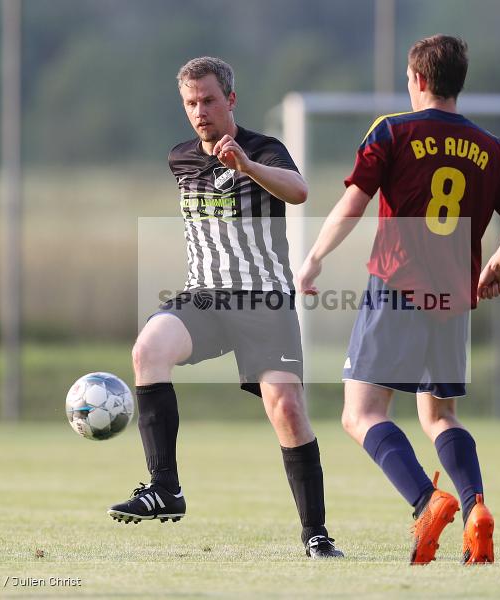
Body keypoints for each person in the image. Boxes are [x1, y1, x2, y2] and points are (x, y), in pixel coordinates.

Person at [296, 35, 500, 565]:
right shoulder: (490, 147)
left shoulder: (393, 131)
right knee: (441, 415)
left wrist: (314, 257)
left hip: (396, 286)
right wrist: (495, 265)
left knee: (360, 413)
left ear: (419, 80)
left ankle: (427, 503)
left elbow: (352, 203)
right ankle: (476, 510)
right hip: (453, 296)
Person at [108, 56, 343, 559]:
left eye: (209, 100)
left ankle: (316, 534)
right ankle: (165, 489)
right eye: (191, 103)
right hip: (206, 297)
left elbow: (300, 193)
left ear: (230, 100)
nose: (200, 111)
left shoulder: (265, 149)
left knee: (287, 411)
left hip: (263, 300)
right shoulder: (181, 158)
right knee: (148, 350)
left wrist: (248, 168)